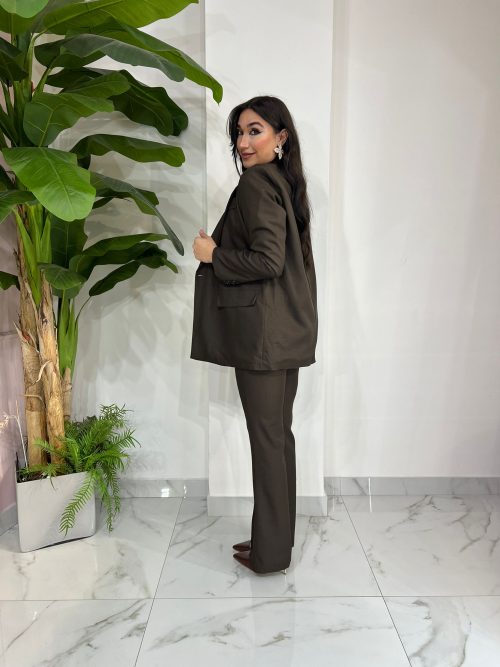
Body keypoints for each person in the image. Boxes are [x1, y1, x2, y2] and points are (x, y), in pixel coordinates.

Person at [191, 95, 318, 575]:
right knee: (277, 440)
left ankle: (269, 554)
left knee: (268, 443)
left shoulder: (256, 185)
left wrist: (212, 255)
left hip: (264, 338)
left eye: (255, 130)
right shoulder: (284, 183)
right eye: (239, 133)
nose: (243, 142)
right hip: (286, 331)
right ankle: (273, 542)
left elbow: (267, 260)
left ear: (280, 137)